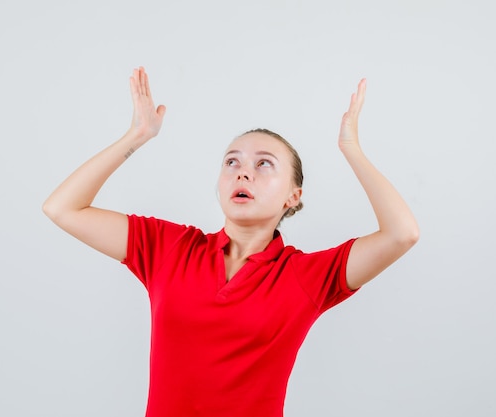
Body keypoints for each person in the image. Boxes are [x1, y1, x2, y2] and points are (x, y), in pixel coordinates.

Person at [42, 67, 419, 417]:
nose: (243, 174)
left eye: (264, 164)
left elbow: (402, 234)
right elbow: (63, 208)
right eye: (232, 162)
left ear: (294, 196)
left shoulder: (305, 276)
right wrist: (136, 136)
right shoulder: (169, 247)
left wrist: (350, 147)